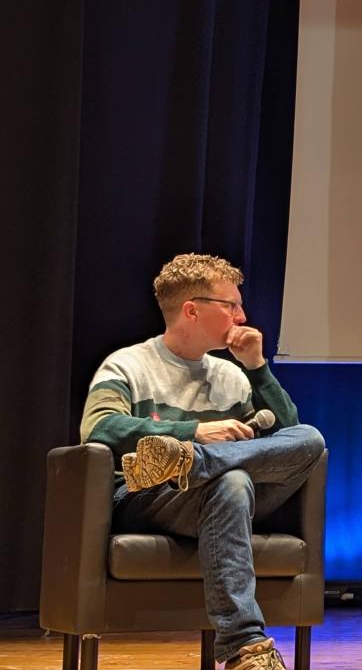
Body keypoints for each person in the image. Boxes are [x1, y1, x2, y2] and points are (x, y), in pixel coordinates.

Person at [81, 254, 326, 670]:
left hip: (223, 493)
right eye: (231, 305)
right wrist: (191, 433)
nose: (243, 315)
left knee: (309, 438)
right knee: (232, 481)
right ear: (192, 310)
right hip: (150, 499)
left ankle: (196, 464)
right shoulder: (129, 364)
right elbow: (99, 429)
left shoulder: (232, 375)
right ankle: (245, 646)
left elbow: (289, 441)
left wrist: (257, 368)